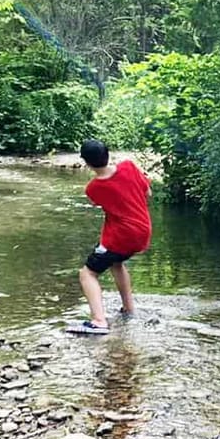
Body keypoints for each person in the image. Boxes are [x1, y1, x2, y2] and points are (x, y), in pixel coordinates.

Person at [68, 139, 152, 335]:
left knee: (87, 273)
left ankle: (99, 321)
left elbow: (99, 202)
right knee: (117, 263)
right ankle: (129, 309)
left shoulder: (93, 188)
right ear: (108, 154)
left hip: (120, 236)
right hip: (143, 231)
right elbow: (148, 192)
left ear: (87, 163)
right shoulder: (129, 166)